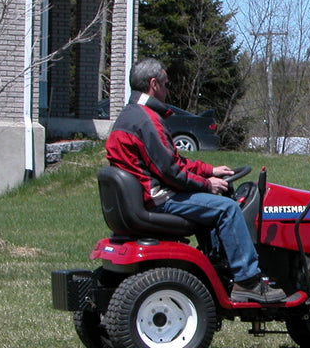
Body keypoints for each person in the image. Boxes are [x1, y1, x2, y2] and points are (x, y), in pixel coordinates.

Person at [104, 58, 286, 304]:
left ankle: (220, 268)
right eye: (166, 85)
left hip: (146, 195)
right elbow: (170, 172)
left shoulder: (130, 116)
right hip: (158, 198)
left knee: (212, 206)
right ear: (154, 84)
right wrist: (207, 184)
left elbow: (172, 161)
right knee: (228, 209)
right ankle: (248, 281)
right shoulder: (147, 120)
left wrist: (209, 170)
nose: (168, 91)